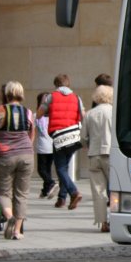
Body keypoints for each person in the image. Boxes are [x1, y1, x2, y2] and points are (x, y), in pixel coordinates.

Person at [0, 81, 35, 240]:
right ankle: (17, 231)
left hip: (5, 155)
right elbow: (32, 133)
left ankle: (9, 216)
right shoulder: (28, 112)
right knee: (22, 194)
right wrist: (27, 148)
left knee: (3, 191)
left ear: (6, 94)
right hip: (26, 154)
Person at [37, 73, 84, 210]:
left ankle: (74, 192)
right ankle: (62, 199)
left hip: (59, 137)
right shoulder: (77, 97)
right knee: (65, 167)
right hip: (73, 137)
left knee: (60, 168)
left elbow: (39, 114)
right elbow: (83, 115)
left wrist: (48, 111)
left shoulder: (51, 97)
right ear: (68, 84)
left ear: (56, 84)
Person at [82, 84, 114, 233]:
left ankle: (103, 222)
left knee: (98, 191)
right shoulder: (114, 112)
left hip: (94, 154)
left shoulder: (89, 114)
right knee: (115, 189)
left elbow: (83, 137)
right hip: (111, 154)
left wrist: (88, 145)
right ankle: (116, 218)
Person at [34, 92, 58, 199]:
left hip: (43, 147)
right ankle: (45, 190)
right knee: (47, 169)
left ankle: (51, 183)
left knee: (41, 170)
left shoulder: (37, 116)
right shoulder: (53, 115)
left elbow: (32, 132)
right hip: (52, 146)